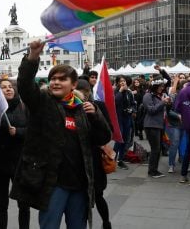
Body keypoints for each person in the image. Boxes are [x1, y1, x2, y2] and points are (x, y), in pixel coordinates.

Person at [10, 40, 111, 229]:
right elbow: (24, 85)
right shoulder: (42, 102)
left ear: (73, 85)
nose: (56, 82)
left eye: (62, 79)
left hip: (80, 184)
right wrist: (33, 56)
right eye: (53, 79)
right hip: (52, 183)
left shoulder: (84, 108)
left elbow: (104, 137)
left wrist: (96, 116)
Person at [0, 79, 30, 229]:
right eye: (3, 87)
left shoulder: (24, 107)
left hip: (20, 162)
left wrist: (18, 132)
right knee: (2, 203)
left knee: (23, 203)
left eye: (10, 87)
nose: (8, 89)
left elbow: (34, 131)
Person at [75, 79, 112, 229]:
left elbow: (109, 130)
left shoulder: (98, 106)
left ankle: (106, 222)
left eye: (83, 93)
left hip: (94, 158)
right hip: (77, 159)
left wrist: (95, 116)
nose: (80, 96)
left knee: (97, 195)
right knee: (80, 198)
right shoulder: (70, 107)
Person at [143, 76, 170, 178]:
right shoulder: (148, 96)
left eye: (162, 86)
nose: (162, 88)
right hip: (151, 125)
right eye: (160, 86)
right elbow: (151, 110)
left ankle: (154, 170)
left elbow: (162, 110)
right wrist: (163, 102)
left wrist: (167, 103)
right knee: (155, 149)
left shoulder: (158, 96)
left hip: (159, 125)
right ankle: (152, 171)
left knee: (157, 149)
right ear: (155, 86)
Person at [114, 75, 136, 170]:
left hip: (127, 118)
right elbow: (115, 101)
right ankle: (112, 159)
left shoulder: (129, 93)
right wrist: (120, 91)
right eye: (121, 81)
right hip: (119, 118)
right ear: (118, 83)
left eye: (124, 81)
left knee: (126, 139)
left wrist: (132, 110)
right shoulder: (116, 92)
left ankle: (121, 159)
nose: (123, 83)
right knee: (119, 139)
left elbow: (133, 104)